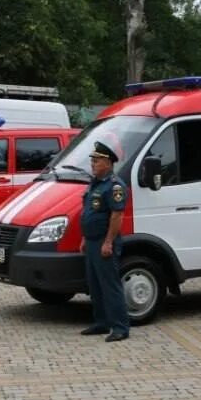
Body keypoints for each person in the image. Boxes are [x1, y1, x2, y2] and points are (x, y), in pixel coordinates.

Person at [79, 139, 129, 342]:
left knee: (109, 285)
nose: (93, 163)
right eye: (93, 160)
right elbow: (89, 212)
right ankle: (101, 322)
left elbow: (116, 216)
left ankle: (120, 327)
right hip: (91, 241)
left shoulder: (114, 186)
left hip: (104, 241)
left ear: (108, 163)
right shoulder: (95, 184)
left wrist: (108, 242)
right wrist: (84, 237)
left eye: (97, 160)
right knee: (95, 284)